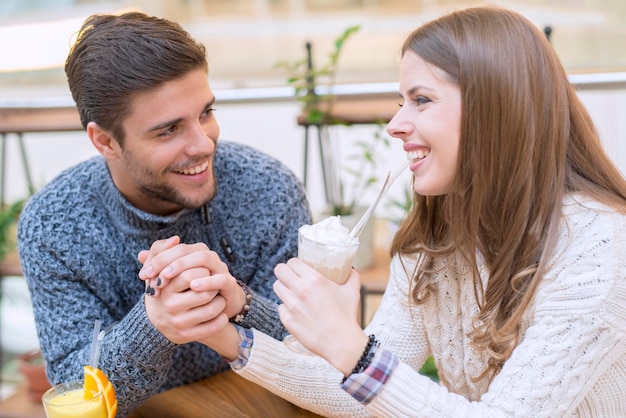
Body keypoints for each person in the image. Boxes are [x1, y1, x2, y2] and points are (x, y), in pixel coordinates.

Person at [141, 5, 626, 417]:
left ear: (495, 110)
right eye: (401, 101)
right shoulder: (434, 238)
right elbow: (357, 394)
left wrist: (348, 346)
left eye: (421, 100)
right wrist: (228, 331)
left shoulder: (598, 248)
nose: (395, 124)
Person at [16, 11, 311, 417]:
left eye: (206, 113)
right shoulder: (53, 224)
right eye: (169, 130)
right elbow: (76, 393)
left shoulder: (267, 188)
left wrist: (238, 302)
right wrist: (153, 326)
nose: (203, 144)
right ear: (105, 141)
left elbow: (312, 353)